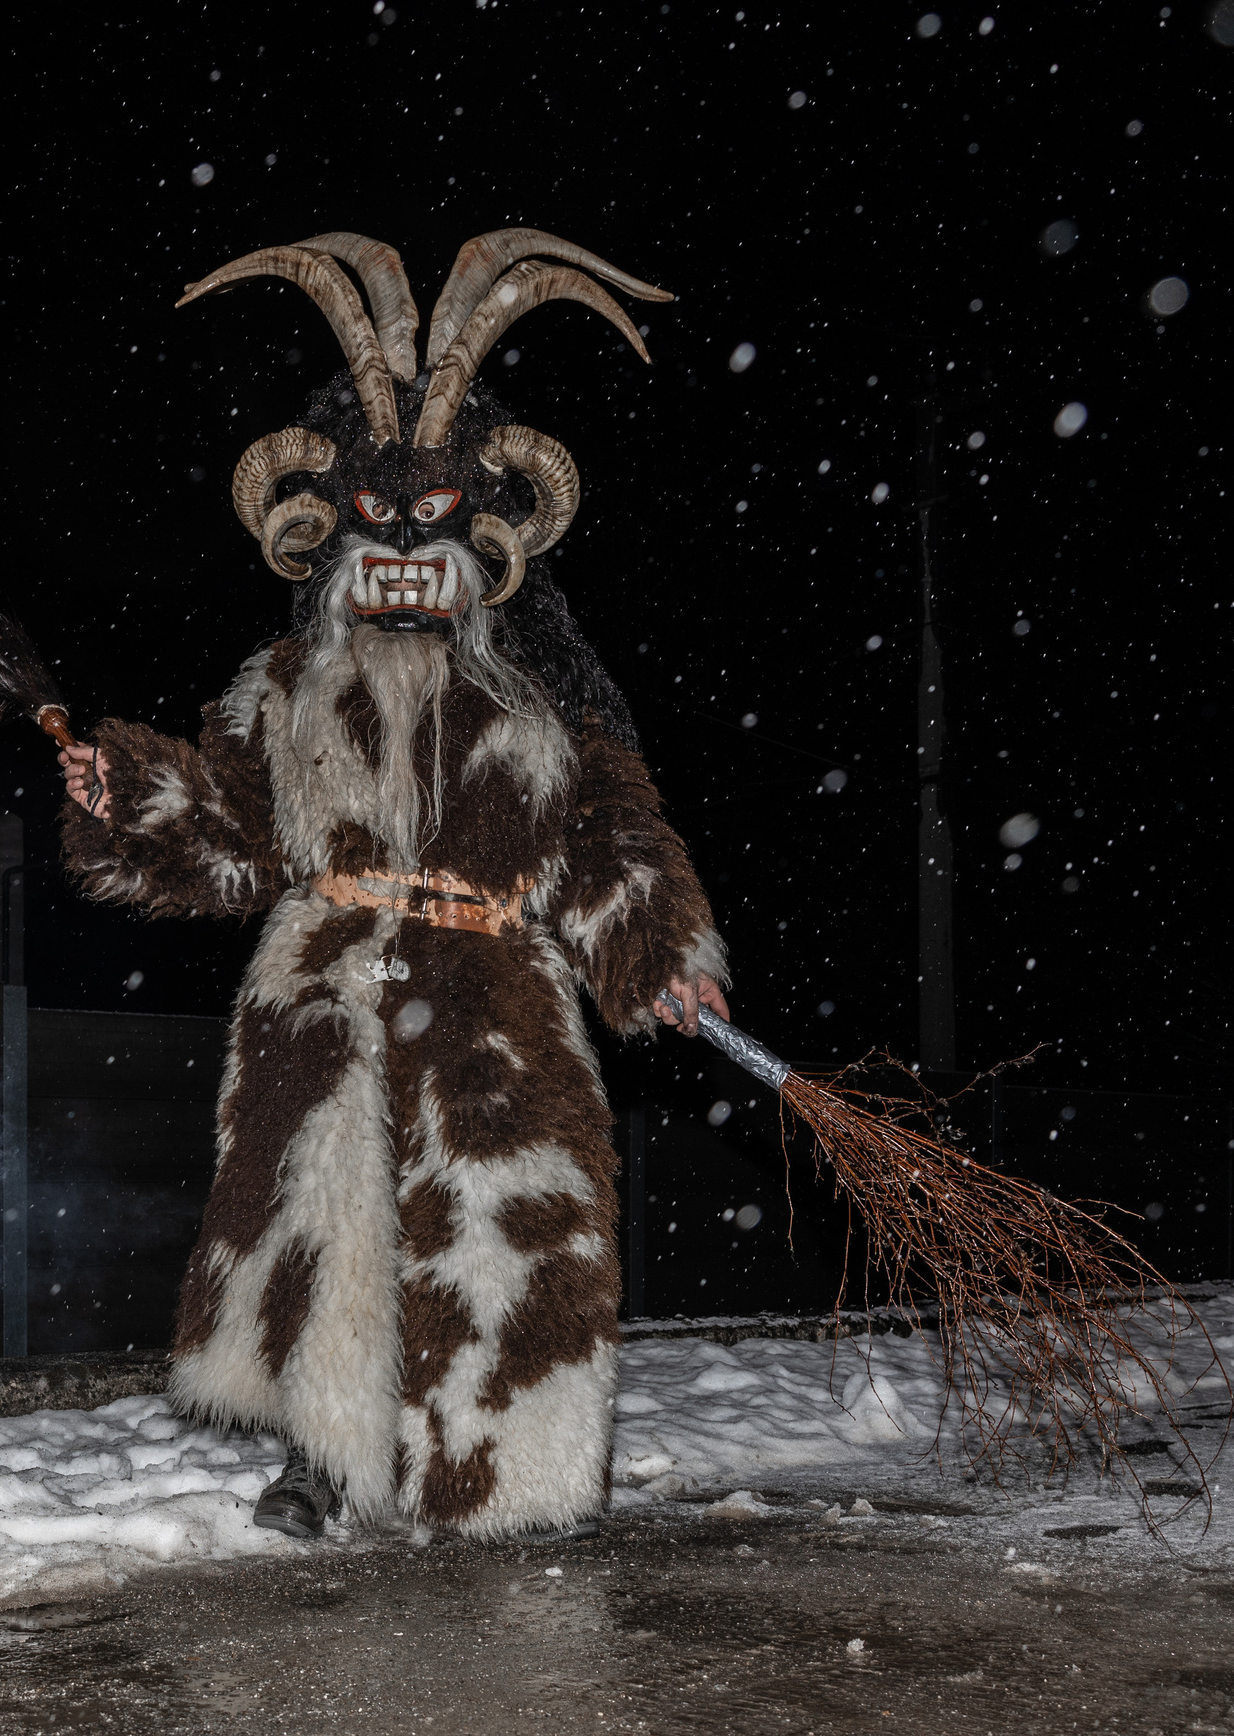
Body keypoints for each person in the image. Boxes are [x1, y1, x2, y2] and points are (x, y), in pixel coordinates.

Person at [56, 230, 728, 1543]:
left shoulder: (543, 707)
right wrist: (128, 794)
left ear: (484, 536)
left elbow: (609, 848)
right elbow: (233, 838)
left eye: (435, 521)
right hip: (327, 995)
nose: (408, 549)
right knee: (329, 1233)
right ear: (332, 533)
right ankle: (327, 1463)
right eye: (382, 520)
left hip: (501, 1008)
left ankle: (507, 1489)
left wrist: (664, 961)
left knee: (506, 1235)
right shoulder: (287, 692)